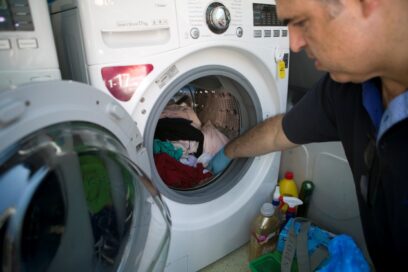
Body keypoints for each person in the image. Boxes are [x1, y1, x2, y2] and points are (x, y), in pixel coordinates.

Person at [207, 0, 408, 271]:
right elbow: (279, 131)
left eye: (301, 22)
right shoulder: (345, 88)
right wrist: (227, 151)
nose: (294, 44)